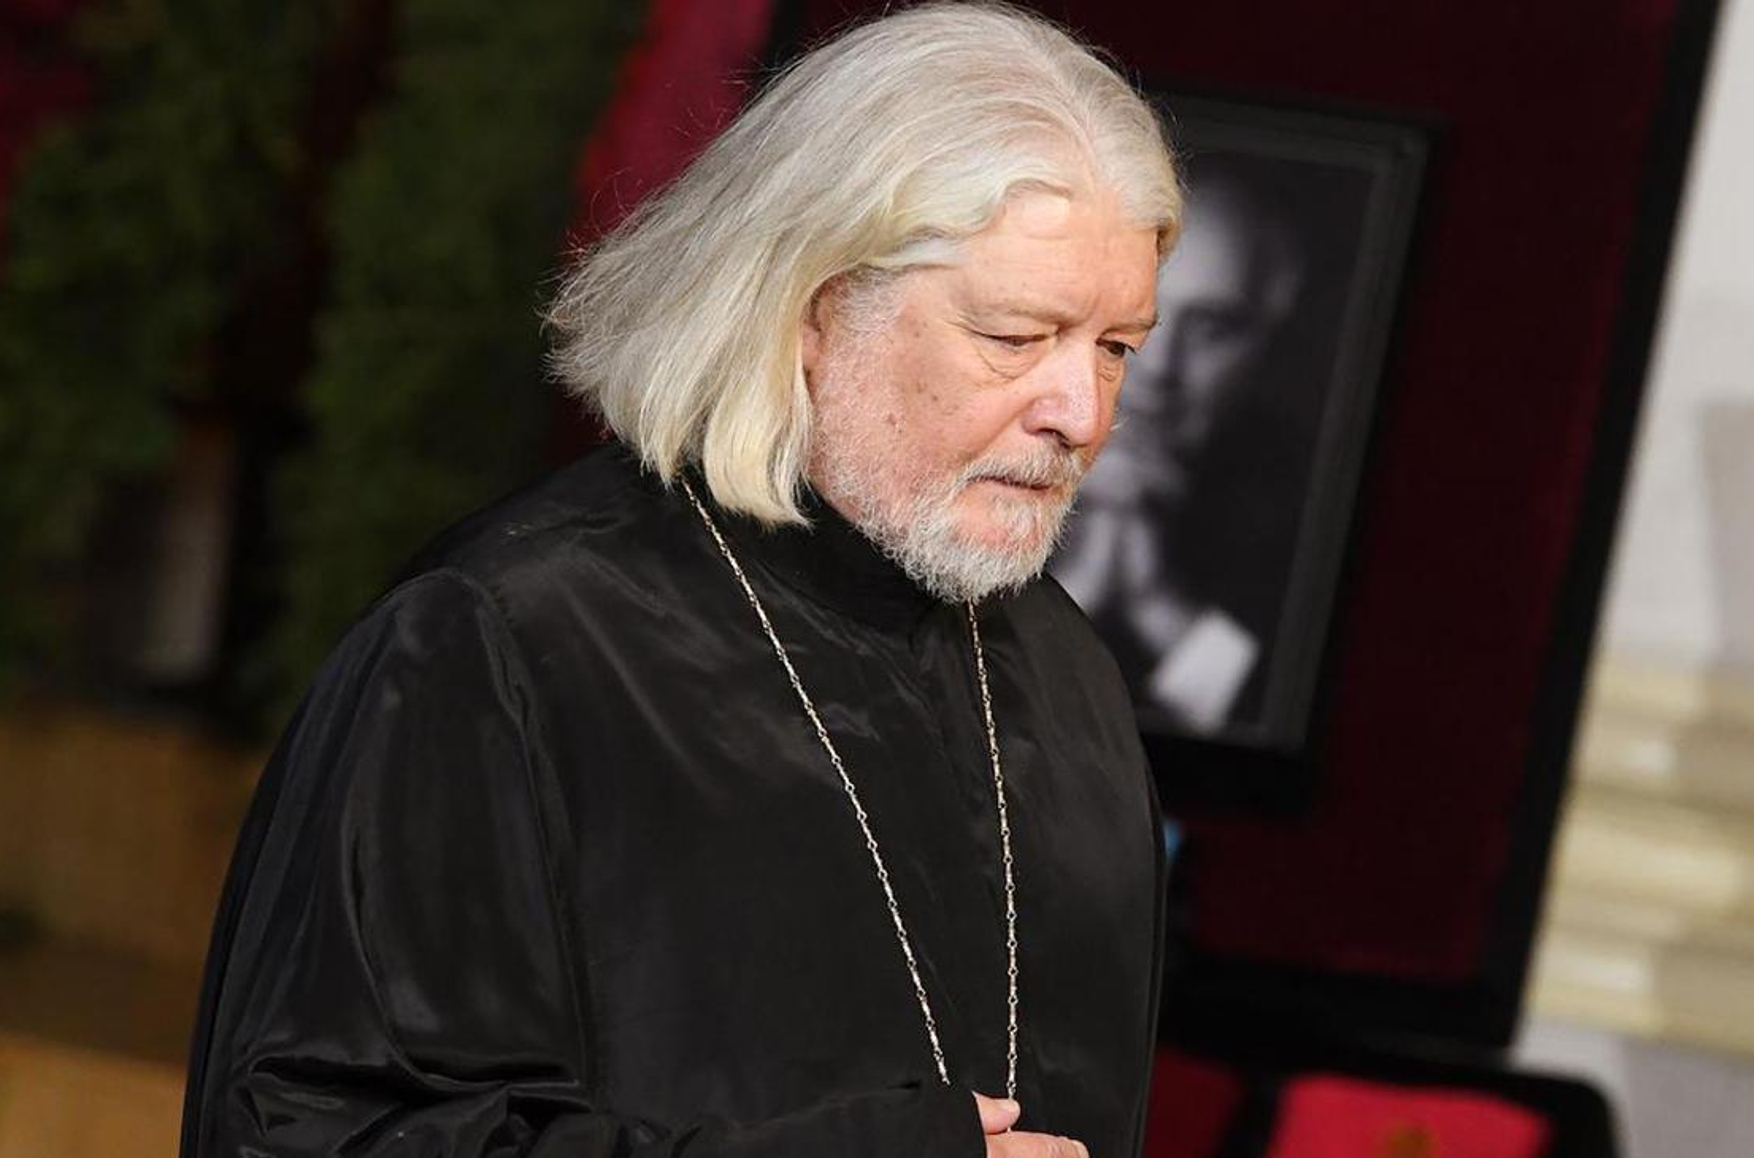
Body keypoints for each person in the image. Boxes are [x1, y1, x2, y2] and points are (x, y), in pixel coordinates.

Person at [180, 5, 1181, 1157]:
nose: (1080, 415)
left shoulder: (1065, 676)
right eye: (1015, 337)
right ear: (814, 310)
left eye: (1115, 348)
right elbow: (314, 1136)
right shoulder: (502, 643)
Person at [1052, 161, 1306, 734]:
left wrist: (1161, 606)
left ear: (1265, 347)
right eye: (1130, 318)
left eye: (1210, 328)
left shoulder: (1307, 523)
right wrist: (1072, 596)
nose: (1156, 367)